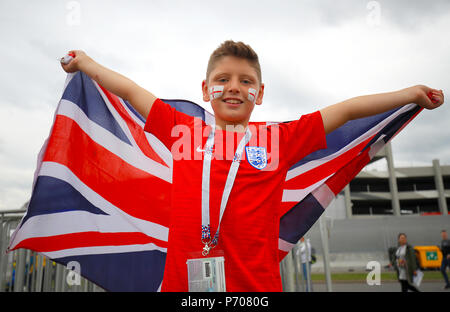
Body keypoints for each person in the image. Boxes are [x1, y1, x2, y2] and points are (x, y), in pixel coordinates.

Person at [60, 40, 444, 292]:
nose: (233, 87)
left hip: (255, 290)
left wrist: (408, 94)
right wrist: (89, 64)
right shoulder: (182, 130)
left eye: (246, 81)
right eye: (222, 79)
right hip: (184, 286)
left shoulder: (278, 139)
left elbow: (344, 111)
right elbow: (129, 90)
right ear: (205, 89)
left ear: (260, 94)